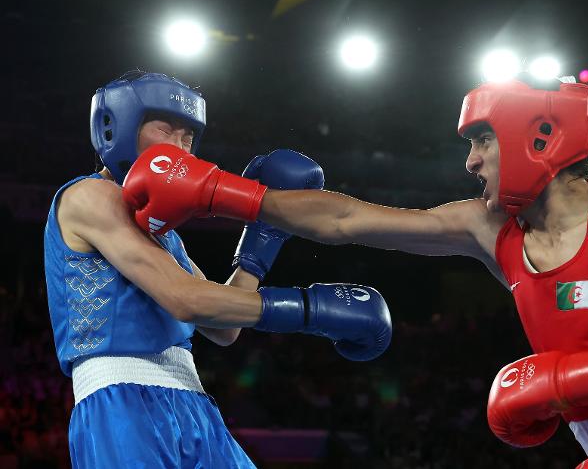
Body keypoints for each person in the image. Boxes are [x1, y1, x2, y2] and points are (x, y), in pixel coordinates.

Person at [123, 72, 588, 467]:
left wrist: (564, 381)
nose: (470, 162)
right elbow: (349, 221)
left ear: (539, 137)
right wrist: (223, 193)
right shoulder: (489, 228)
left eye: (482, 141)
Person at [43, 70, 393, 468]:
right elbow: (185, 299)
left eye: (188, 136)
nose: (179, 147)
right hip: (121, 404)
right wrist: (310, 308)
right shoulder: (88, 195)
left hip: (192, 402)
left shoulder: (165, 236)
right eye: (165, 129)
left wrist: (260, 243)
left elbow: (223, 328)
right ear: (117, 127)